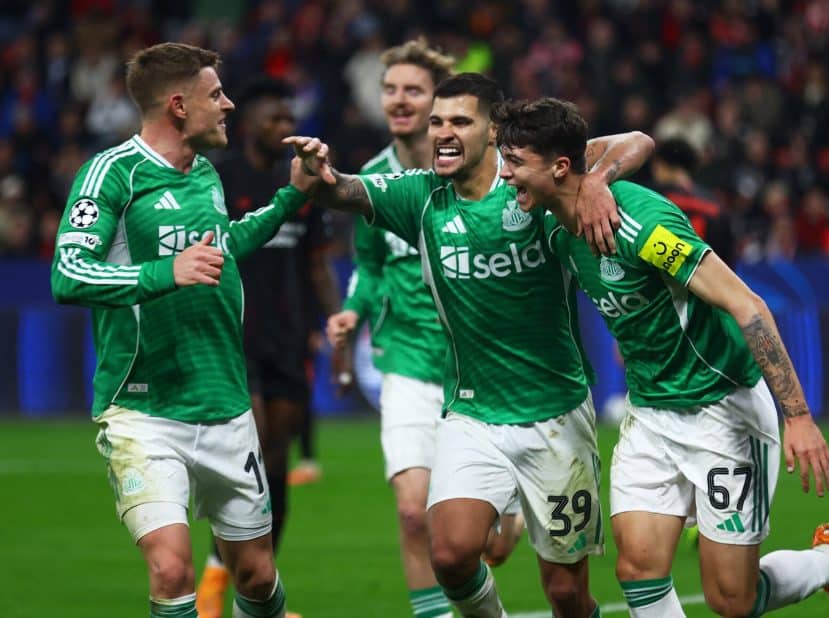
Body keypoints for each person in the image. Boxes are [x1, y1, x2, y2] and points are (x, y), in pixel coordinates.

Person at [491, 97, 829, 618]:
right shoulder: (552, 218)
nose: (505, 174)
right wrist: (596, 178)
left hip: (722, 409)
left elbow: (748, 305)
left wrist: (799, 417)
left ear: (559, 167)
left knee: (732, 600)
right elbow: (624, 146)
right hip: (650, 413)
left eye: (514, 162)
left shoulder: (641, 226)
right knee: (638, 569)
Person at [295, 72, 654, 617]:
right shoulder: (420, 196)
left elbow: (638, 142)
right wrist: (314, 172)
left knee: (565, 591)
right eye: (437, 121)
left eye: (460, 121)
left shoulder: (530, 183)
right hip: (473, 413)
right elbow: (339, 189)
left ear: (492, 132)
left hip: (556, 413)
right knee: (450, 554)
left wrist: (599, 180)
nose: (443, 131)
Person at [50, 42, 328, 618]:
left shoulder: (204, 175)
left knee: (257, 575)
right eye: (216, 95)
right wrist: (164, 272)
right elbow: (68, 273)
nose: (228, 105)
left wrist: (291, 197)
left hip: (225, 404)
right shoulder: (112, 174)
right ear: (179, 105)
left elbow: (222, 247)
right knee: (172, 569)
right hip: (145, 411)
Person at [327, 39, 524, 618]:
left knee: (493, 544)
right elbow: (369, 266)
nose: (399, 100)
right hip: (408, 360)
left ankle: (510, 516)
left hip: (481, 364)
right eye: (390, 90)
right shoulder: (371, 179)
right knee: (414, 513)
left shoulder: (490, 174)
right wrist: (353, 310)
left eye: (413, 90)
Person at [195, 77, 340, 618]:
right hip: (234, 335)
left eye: (288, 120)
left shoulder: (301, 182)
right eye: (273, 119)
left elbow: (317, 263)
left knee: (275, 461)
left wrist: (335, 322)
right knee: (250, 450)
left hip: (289, 335)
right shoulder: (220, 178)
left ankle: (254, 590)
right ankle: (215, 578)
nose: (283, 128)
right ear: (249, 122)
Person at [650, 137, 734, 266]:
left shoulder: (654, 199)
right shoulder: (717, 206)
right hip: (707, 275)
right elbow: (727, 260)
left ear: (661, 164)